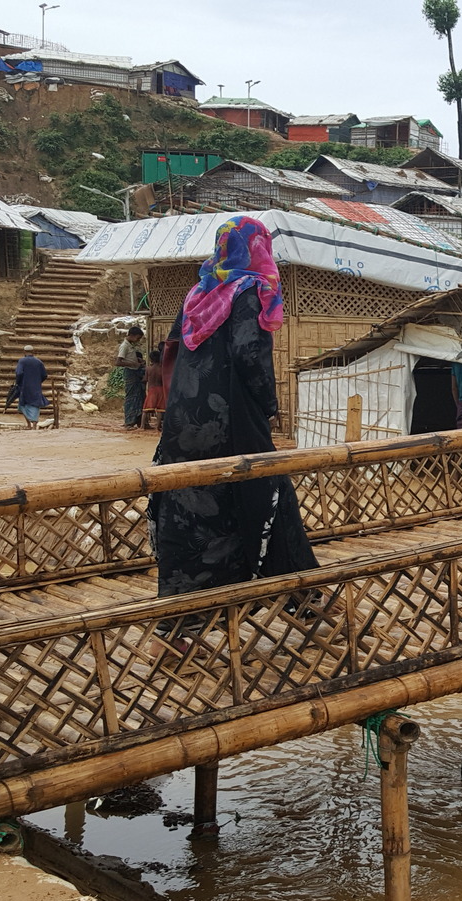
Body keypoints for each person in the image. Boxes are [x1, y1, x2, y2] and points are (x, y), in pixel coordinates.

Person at [152, 216, 318, 609]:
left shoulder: (199, 292)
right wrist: (269, 405)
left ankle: (178, 612)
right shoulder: (250, 291)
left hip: (183, 424)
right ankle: (298, 594)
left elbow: (171, 353)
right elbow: (250, 357)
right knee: (266, 492)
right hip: (232, 420)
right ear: (257, 249)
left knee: (188, 506)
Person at [115, 325, 147, 429]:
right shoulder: (124, 346)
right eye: (137, 338)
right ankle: (129, 422)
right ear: (132, 335)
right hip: (130, 373)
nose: (138, 340)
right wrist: (132, 364)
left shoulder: (130, 345)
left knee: (139, 396)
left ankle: (138, 421)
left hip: (135, 372)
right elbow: (119, 362)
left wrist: (137, 360)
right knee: (131, 397)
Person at [7, 346, 48, 428]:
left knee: (23, 405)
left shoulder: (22, 361)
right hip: (36, 388)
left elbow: (19, 373)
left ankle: (29, 424)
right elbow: (44, 375)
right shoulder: (39, 362)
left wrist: (18, 382)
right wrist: (37, 382)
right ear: (33, 351)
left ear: (24, 352)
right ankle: (34, 425)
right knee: (35, 405)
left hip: (24, 387)